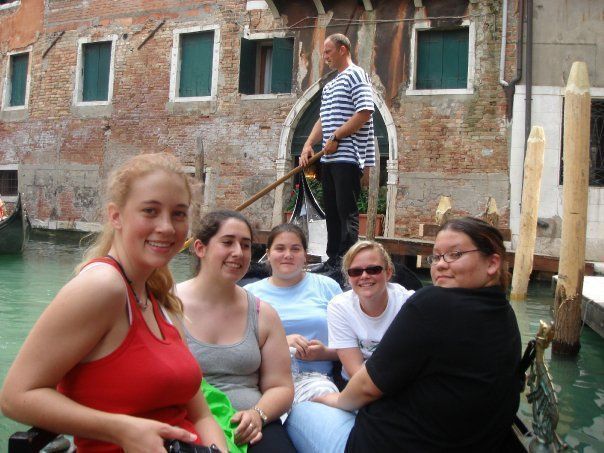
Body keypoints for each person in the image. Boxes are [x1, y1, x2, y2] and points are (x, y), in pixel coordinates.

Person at [0, 153, 227, 453]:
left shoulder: (161, 298)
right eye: (150, 211)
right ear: (116, 216)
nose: (167, 227)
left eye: (178, 214)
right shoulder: (103, 286)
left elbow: (201, 414)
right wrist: (121, 430)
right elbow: (15, 397)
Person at [285, 217, 522, 452]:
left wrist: (334, 400)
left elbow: (366, 386)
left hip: (379, 443)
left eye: (455, 254)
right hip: (457, 438)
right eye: (436, 256)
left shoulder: (429, 303)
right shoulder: (505, 315)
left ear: (492, 263)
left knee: (297, 409)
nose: (440, 264)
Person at [176, 210, 296, 452]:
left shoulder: (264, 314)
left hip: (250, 426)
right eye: (227, 242)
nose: (238, 252)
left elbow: (281, 386)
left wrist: (257, 414)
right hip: (184, 421)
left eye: (246, 245)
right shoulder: (166, 305)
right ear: (200, 248)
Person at [300, 33, 375, 271]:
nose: (325, 57)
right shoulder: (331, 85)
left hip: (348, 157)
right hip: (329, 159)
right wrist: (308, 144)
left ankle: (346, 265)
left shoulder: (356, 74)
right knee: (331, 212)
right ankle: (332, 261)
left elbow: (365, 112)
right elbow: (323, 120)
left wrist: (337, 137)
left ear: (343, 50)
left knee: (346, 213)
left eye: (328, 51)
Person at [244, 224, 343, 403]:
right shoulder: (249, 293)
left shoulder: (328, 287)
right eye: (280, 248)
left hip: (316, 381)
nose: (288, 255)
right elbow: (237, 346)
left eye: (295, 249)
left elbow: (352, 343)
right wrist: (279, 344)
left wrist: (324, 353)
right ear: (268, 254)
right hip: (263, 381)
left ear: (305, 255)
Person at [328, 240, 415, 380]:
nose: (364, 276)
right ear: (349, 278)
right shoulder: (339, 307)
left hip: (401, 382)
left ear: (388, 273)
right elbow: (355, 372)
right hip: (357, 383)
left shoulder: (408, 303)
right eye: (356, 272)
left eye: (373, 270)